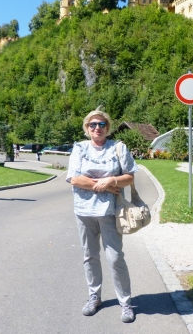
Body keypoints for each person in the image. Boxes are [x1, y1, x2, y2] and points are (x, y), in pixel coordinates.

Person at [66, 107, 138, 323]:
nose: (97, 128)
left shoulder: (118, 148)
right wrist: (106, 185)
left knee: (115, 257)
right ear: (87, 128)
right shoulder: (79, 148)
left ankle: (125, 303)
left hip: (110, 212)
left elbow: (130, 177)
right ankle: (94, 296)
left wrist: (114, 181)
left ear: (108, 127)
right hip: (84, 211)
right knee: (90, 256)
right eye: (92, 125)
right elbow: (74, 179)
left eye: (101, 124)